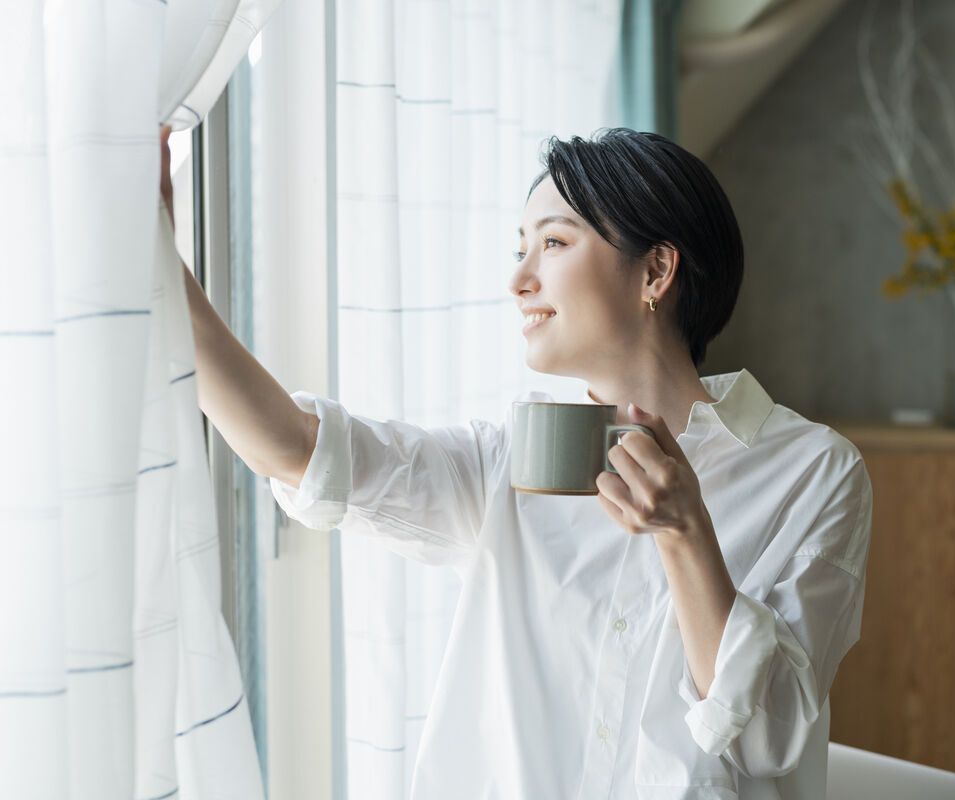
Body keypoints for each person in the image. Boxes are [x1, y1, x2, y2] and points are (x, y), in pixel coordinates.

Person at [164, 125, 872, 799]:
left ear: (656, 270)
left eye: (553, 244)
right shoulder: (507, 459)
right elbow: (297, 451)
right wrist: (162, 269)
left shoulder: (813, 473)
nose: (519, 281)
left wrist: (687, 534)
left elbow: (769, 737)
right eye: (520, 249)